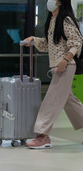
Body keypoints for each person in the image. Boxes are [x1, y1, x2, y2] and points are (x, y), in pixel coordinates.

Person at [23, 0, 83, 149]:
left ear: (60, 2)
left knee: (52, 99)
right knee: (70, 101)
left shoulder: (66, 19)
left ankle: (42, 135)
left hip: (65, 66)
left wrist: (65, 59)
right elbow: (49, 44)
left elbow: (76, 41)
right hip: (60, 65)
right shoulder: (53, 20)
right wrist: (34, 40)